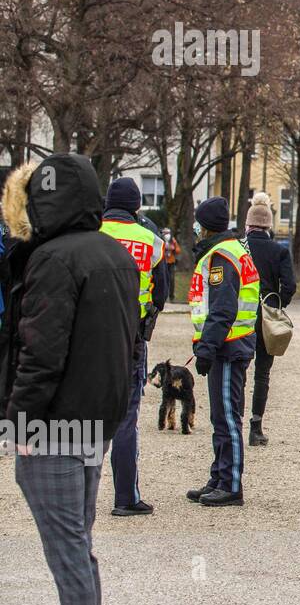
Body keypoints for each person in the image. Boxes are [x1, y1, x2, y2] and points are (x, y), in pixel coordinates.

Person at [0, 155, 139, 605]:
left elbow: (41, 353)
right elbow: (130, 343)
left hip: (55, 425)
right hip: (96, 420)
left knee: (68, 550)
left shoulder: (52, 259)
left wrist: (19, 424)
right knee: (77, 541)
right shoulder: (114, 252)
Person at [186, 197, 260, 508]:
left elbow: (222, 309)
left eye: (197, 224)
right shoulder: (232, 249)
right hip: (230, 343)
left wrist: (207, 347)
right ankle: (219, 476)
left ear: (204, 227)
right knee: (220, 416)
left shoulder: (221, 257)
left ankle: (230, 484)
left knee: (228, 417)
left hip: (229, 346)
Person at [100, 178, 167, 517]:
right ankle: (125, 497)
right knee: (126, 418)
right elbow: (161, 295)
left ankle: (80, 494)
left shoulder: (91, 234)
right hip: (131, 338)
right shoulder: (151, 242)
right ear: (137, 207)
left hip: (90, 337)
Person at [243, 192, 296, 447]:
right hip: (267, 316)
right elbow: (290, 285)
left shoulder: (238, 248)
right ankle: (256, 426)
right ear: (269, 226)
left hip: (240, 316)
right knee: (262, 373)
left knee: (238, 370)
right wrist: (277, 303)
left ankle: (233, 421)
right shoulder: (278, 251)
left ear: (248, 224)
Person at [161, 228, 181, 303]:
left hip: (171, 262)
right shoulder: (160, 240)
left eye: (168, 233)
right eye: (165, 233)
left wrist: (173, 248)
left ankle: (171, 297)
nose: (167, 235)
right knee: (163, 279)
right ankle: (163, 297)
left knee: (171, 279)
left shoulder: (173, 240)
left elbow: (178, 250)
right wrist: (164, 248)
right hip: (163, 262)